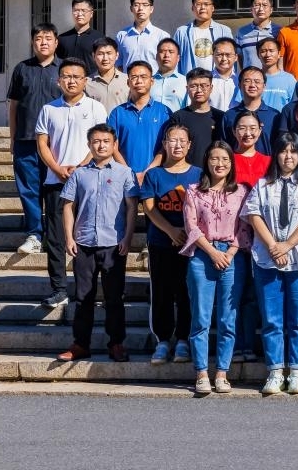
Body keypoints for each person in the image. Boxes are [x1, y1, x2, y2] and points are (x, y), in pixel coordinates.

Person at [243, 133, 298, 396]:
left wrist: (287, 245)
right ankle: (275, 371)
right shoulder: (263, 184)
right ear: (276, 155)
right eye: (283, 151)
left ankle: (297, 372)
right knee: (272, 319)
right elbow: (253, 214)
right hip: (267, 259)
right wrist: (273, 246)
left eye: (293, 151)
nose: (288, 156)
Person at [55, 124, 138, 363]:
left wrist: (128, 238)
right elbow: (68, 206)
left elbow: (132, 207)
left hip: (114, 244)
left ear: (114, 145)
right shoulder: (79, 174)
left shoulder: (125, 173)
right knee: (83, 297)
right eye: (96, 141)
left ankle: (116, 343)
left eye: (106, 141)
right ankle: (80, 344)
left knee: (114, 297)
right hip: (84, 244)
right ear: (89, 145)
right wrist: (69, 237)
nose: (101, 145)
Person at [36, 58, 109, 308]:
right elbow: (42, 144)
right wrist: (57, 168)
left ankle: (85, 290)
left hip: (89, 181)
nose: (71, 81)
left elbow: (102, 142)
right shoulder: (49, 109)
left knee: (87, 238)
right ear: (59, 81)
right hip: (56, 181)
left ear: (85, 81)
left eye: (76, 77)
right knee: (56, 238)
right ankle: (58, 289)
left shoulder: (96, 108)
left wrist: (80, 168)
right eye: (66, 76)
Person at [181, 140, 252, 394]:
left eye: (224, 159)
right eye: (214, 158)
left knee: (227, 318)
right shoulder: (193, 191)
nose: (219, 164)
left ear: (231, 163)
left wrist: (230, 253)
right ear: (206, 162)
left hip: (233, 256)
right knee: (201, 317)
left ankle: (222, 372)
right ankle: (201, 372)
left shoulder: (241, 191)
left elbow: (245, 227)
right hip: (202, 255)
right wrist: (212, 252)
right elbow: (191, 226)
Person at [141, 122, 202, 365]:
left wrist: (187, 232)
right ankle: (163, 340)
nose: (177, 145)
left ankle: (184, 340)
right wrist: (170, 230)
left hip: (191, 245)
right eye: (172, 140)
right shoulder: (154, 175)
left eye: (182, 141)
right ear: (164, 145)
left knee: (187, 292)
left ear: (189, 145)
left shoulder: (198, 174)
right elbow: (149, 207)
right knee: (161, 292)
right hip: (160, 243)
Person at [9, 23, 61, 255]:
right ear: (32, 43)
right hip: (26, 140)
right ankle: (34, 235)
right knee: (29, 189)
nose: (43, 42)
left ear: (56, 42)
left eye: (48, 38)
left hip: (56, 143)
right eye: (39, 38)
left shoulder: (64, 70)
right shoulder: (22, 69)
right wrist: (13, 138)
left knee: (56, 189)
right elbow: (14, 105)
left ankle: (57, 235)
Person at [106, 61, 170, 181]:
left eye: (143, 77)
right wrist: (129, 173)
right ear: (128, 82)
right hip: (123, 177)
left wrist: (148, 172)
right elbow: (113, 146)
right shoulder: (117, 113)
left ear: (152, 81)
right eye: (134, 77)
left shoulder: (164, 112)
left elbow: (166, 147)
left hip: (156, 175)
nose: (139, 81)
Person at [171, 69, 224, 167]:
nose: (199, 90)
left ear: (211, 88)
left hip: (214, 171)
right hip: (186, 172)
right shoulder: (178, 117)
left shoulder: (221, 117)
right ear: (187, 88)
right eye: (194, 86)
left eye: (203, 85)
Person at [222, 67, 279, 155]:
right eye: (247, 81)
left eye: (257, 81)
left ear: (264, 86)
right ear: (239, 85)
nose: (252, 85)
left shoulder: (274, 116)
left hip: (267, 163)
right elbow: (224, 148)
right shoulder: (229, 115)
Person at [174, 0, 234, 72]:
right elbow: (175, 60)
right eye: (198, 4)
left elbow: (231, 58)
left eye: (206, 4)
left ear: (212, 8)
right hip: (190, 78)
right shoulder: (182, 32)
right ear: (192, 8)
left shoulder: (224, 31)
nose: (202, 7)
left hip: (216, 78)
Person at [115, 0, 171, 73]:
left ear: (151, 9)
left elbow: (166, 64)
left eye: (145, 5)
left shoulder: (162, 36)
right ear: (131, 8)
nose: (140, 8)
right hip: (128, 81)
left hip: (154, 81)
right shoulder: (121, 35)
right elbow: (118, 64)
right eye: (136, 5)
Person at [57, 0, 102, 72]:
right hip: (67, 78)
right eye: (76, 10)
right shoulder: (62, 38)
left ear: (91, 13)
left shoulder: (99, 38)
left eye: (83, 10)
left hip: (90, 78)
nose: (80, 14)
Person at [236, 0, 280, 69]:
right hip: (250, 76)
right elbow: (240, 57)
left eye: (265, 5)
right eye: (257, 5)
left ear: (271, 10)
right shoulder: (242, 32)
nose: (261, 9)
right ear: (251, 9)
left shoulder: (279, 31)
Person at [85, 37, 129, 112]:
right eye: (100, 54)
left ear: (117, 55)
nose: (105, 58)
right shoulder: (86, 82)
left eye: (109, 53)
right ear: (93, 56)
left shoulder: (127, 80)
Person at [230, 109, 271, 187]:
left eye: (252, 128)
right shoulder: (228, 161)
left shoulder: (269, 162)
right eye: (242, 128)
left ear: (259, 131)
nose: (248, 133)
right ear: (234, 131)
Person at [256, 38, 298, 111]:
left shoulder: (289, 79)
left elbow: (295, 105)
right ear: (258, 55)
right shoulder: (252, 78)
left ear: (279, 54)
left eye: (271, 51)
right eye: (263, 51)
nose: (268, 55)